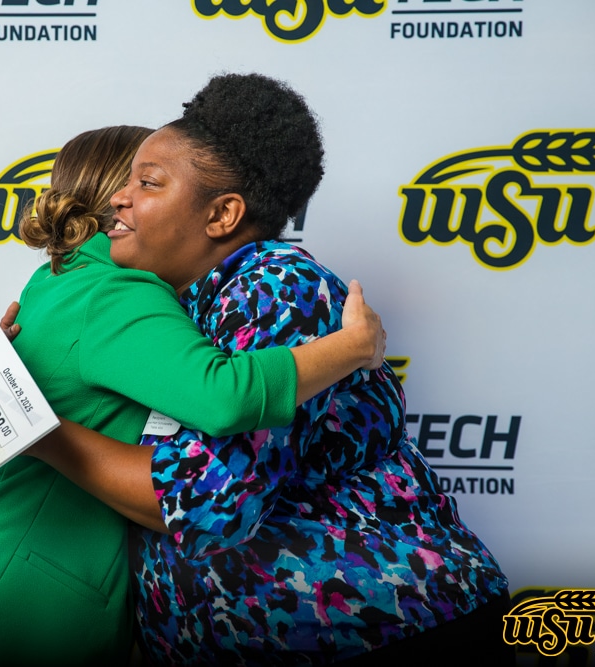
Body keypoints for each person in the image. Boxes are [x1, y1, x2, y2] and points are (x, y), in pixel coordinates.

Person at [25, 74, 513, 666]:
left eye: (147, 183)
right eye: (125, 181)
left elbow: (206, 501)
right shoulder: (169, 308)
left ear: (223, 213)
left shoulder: (278, 287)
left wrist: (26, 426)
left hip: (389, 628)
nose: (119, 199)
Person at [0, 125, 386, 667]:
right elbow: (223, 394)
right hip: (18, 602)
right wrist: (352, 347)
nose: (135, 197)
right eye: (142, 179)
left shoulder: (55, 278)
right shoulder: (117, 291)